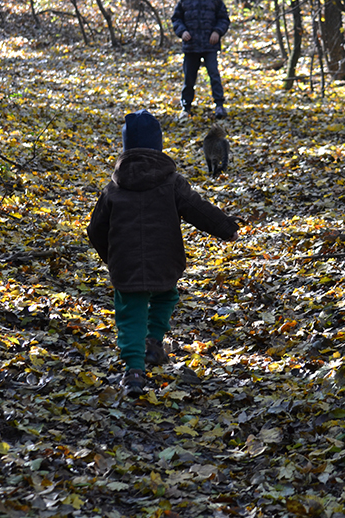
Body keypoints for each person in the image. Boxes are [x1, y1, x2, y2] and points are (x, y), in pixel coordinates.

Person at [87, 109, 239, 397]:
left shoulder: (113, 188)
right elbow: (197, 209)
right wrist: (226, 228)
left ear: (126, 147)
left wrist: (111, 256)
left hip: (126, 264)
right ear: (158, 146)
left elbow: (95, 229)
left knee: (130, 314)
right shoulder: (172, 182)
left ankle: (133, 371)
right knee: (166, 294)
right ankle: (154, 342)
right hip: (165, 260)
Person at [171, 0, 230, 120]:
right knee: (189, 78)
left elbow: (224, 18)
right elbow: (176, 19)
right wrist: (182, 31)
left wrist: (217, 32)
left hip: (209, 45)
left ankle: (219, 105)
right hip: (191, 47)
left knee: (214, 75)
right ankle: (186, 107)